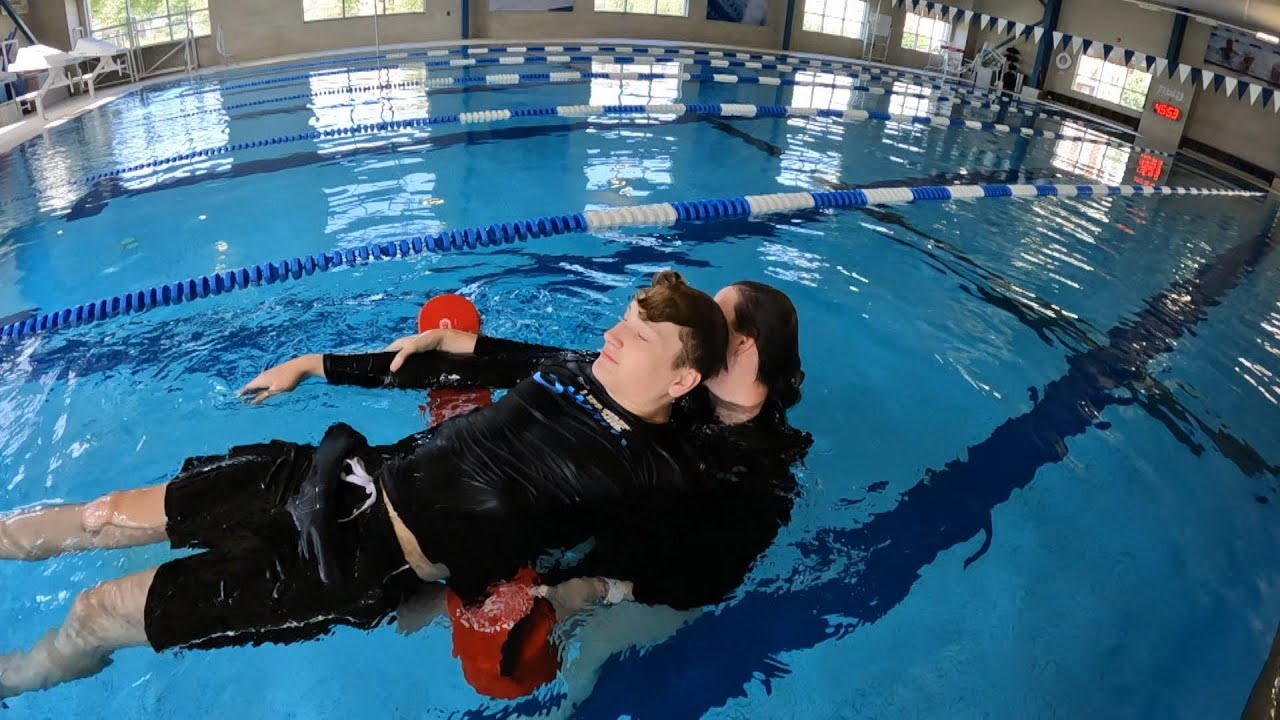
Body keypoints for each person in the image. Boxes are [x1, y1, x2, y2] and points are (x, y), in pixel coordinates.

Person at [0, 271, 727, 700]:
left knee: (97, 610)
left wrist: (582, 596)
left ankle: (18, 677)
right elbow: (460, 354)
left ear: (682, 379)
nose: (614, 335)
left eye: (641, 335)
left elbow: (666, 571)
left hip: (345, 564)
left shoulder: (655, 472)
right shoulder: (573, 366)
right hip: (334, 474)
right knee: (101, 516)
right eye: (625, 318)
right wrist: (315, 365)